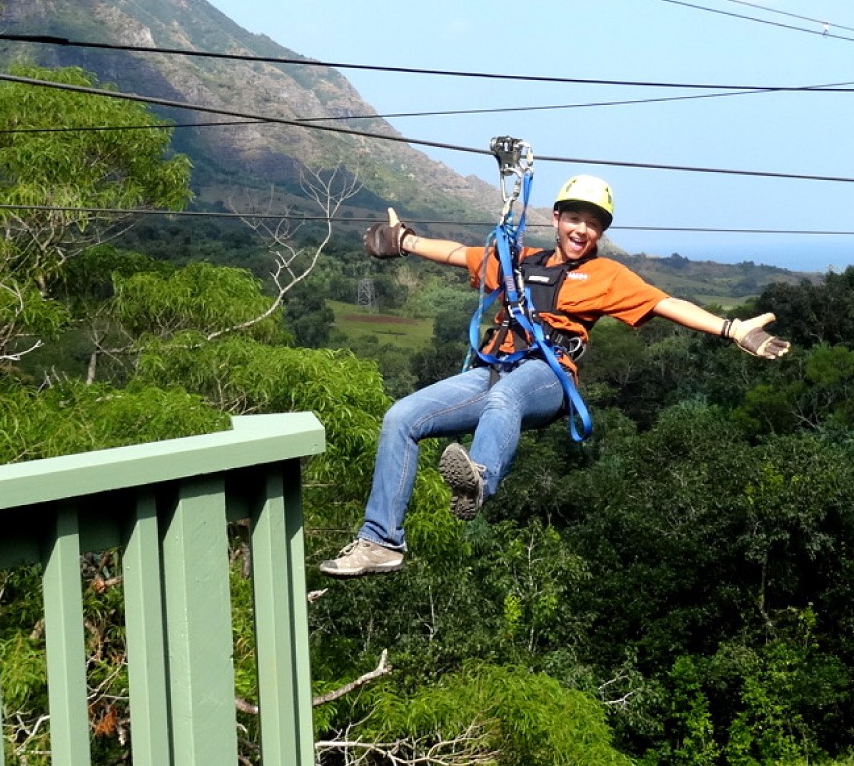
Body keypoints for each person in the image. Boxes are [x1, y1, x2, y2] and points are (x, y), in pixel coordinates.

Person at [319, 175, 790, 578]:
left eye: (592, 223)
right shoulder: (519, 260)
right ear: (558, 218)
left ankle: (479, 477)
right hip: (492, 370)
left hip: (547, 377)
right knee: (401, 417)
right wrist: (404, 241)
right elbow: (459, 254)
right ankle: (380, 542)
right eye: (574, 218)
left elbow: (667, 305)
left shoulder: (607, 275)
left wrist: (731, 329)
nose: (581, 229)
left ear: (600, 231)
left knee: (506, 403)